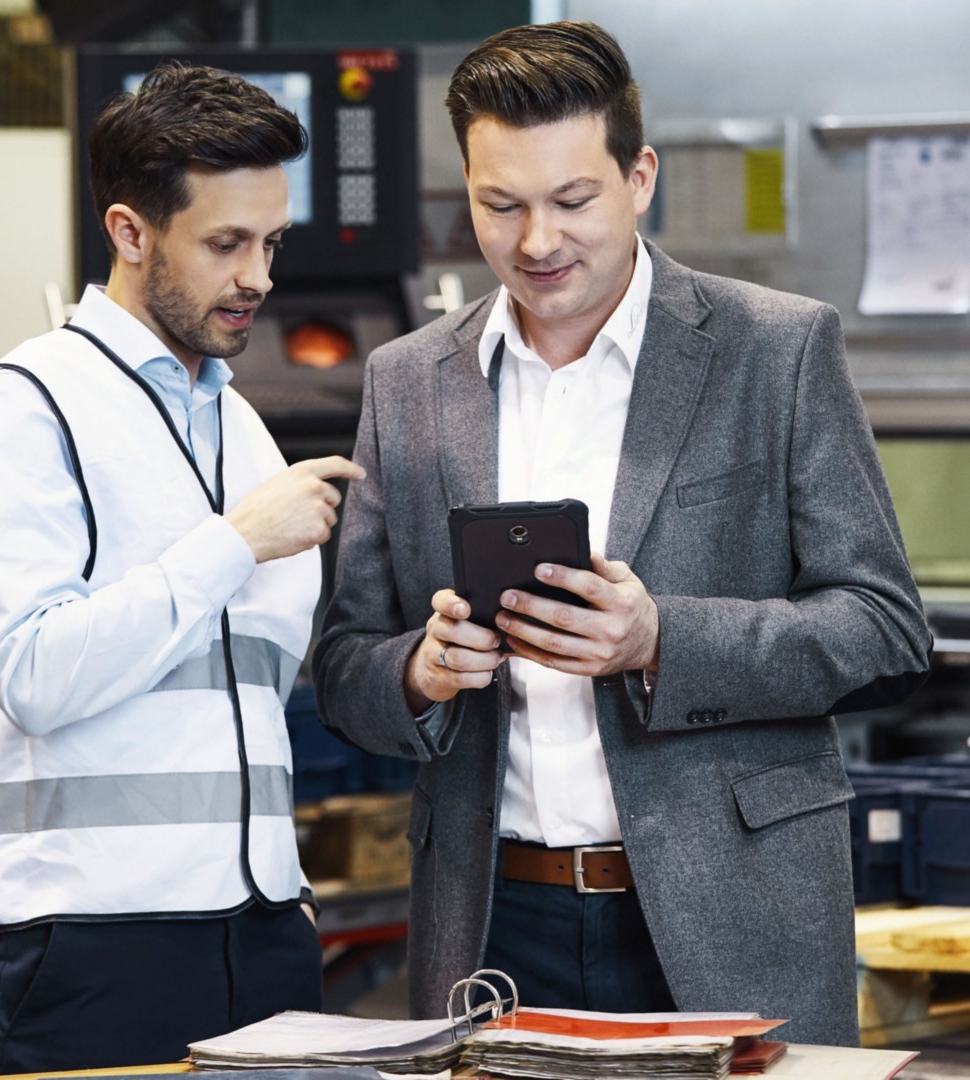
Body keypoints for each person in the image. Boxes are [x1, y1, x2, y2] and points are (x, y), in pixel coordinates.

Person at [312, 22, 930, 1045]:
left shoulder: (773, 351)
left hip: (726, 915)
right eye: (499, 205)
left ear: (640, 178)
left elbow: (884, 625)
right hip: (494, 923)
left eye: (572, 201)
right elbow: (341, 665)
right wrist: (419, 672)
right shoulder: (408, 382)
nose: (537, 242)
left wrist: (662, 641)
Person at [0, 62, 363, 1074]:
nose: (258, 275)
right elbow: (32, 676)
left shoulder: (245, 430)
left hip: (264, 935)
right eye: (225, 244)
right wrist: (232, 543)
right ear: (130, 232)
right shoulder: (29, 407)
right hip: (87, 948)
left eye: (271, 243)